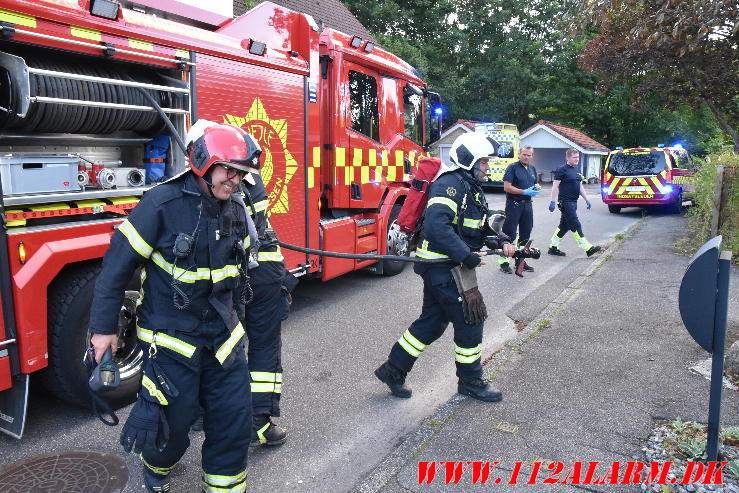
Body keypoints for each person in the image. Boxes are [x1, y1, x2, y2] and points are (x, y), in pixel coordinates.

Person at [89, 120, 260, 493]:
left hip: (223, 338)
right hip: (170, 342)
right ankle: (156, 465)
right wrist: (103, 331)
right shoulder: (161, 205)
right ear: (203, 161)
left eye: (241, 174)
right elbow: (116, 270)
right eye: (229, 170)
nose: (234, 181)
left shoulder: (235, 210)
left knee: (234, 421)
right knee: (173, 426)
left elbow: (241, 277)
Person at [374, 133, 515, 402]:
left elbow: (472, 227)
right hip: (443, 267)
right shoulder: (450, 185)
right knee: (471, 319)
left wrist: (501, 240)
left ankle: (393, 370)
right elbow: (437, 226)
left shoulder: (469, 186)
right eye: (484, 161)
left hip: (445, 266)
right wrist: (467, 256)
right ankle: (471, 382)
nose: (487, 167)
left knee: (432, 322)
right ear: (470, 160)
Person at [183, 121, 293, 448]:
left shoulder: (196, 180)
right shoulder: (245, 173)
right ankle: (259, 421)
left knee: (222, 346)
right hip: (262, 272)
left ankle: (204, 414)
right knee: (264, 347)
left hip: (228, 278)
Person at [547, 149, 602, 257]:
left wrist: (587, 199)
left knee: (564, 226)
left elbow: (580, 186)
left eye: (578, 157)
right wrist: (552, 201)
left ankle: (553, 247)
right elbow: (555, 186)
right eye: (574, 157)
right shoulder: (562, 170)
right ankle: (587, 247)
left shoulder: (576, 171)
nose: (577, 159)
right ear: (567, 158)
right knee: (575, 224)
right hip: (565, 202)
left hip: (573, 202)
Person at [499, 146, 539, 275]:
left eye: (529, 155)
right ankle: (504, 262)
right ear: (519, 154)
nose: (526, 157)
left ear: (532, 156)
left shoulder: (532, 168)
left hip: (527, 204)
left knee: (525, 234)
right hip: (514, 204)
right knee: (509, 233)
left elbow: (535, 183)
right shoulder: (512, 167)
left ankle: (520, 260)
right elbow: (506, 187)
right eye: (524, 154)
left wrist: (536, 187)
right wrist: (523, 191)